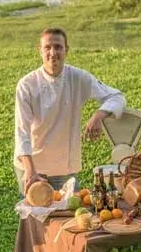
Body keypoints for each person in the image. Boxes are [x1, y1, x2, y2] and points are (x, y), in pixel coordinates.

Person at [13, 27, 126, 195]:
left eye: (58, 47)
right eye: (47, 47)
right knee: (35, 218)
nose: (53, 52)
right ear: (40, 51)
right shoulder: (27, 85)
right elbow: (22, 132)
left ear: (67, 50)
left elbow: (117, 96)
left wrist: (98, 115)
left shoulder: (78, 77)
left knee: (70, 217)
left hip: (64, 168)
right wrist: (31, 172)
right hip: (32, 166)